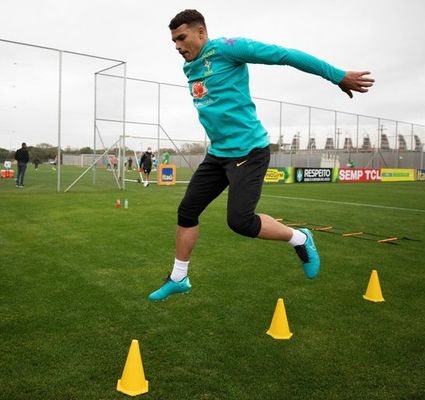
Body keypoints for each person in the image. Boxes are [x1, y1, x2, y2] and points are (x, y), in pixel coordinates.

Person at [148, 10, 374, 301]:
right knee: (187, 211)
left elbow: (285, 55)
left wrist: (336, 76)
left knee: (240, 222)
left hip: (249, 151)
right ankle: (179, 277)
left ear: (201, 33)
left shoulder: (230, 49)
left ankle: (301, 238)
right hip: (218, 154)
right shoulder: (189, 67)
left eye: (182, 38)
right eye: (173, 42)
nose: (177, 46)